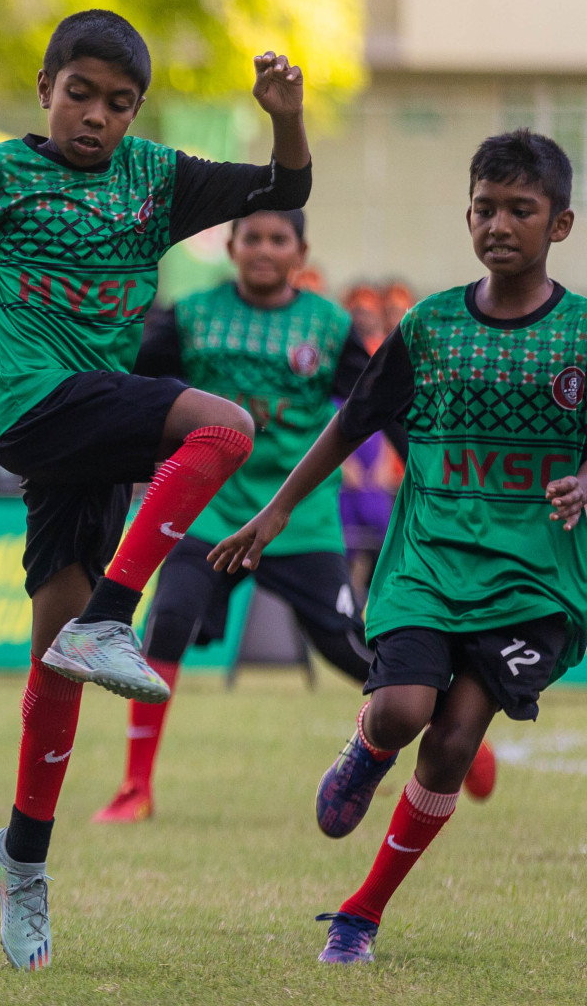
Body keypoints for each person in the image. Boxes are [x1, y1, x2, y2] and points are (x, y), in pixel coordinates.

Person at [0, 9, 311, 971]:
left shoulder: (158, 180)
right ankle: (115, 616)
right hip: (31, 408)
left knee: (55, 669)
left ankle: (21, 861)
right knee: (227, 426)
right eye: (80, 94)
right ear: (46, 87)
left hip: (95, 431)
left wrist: (285, 116)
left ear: (136, 112)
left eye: (119, 103)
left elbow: (287, 185)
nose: (96, 116)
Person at [210, 130, 586, 965]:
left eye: (521, 210)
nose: (499, 224)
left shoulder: (582, 335)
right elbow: (353, 421)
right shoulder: (431, 325)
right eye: (485, 208)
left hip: (535, 578)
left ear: (559, 224)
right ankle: (368, 744)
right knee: (404, 711)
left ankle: (361, 914)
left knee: (454, 740)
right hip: (427, 558)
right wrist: (272, 515)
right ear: (467, 214)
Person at [94, 209, 493, 824]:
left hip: (298, 519)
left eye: (278, 238)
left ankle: (453, 722)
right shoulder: (192, 316)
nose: (263, 248)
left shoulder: (329, 327)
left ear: (300, 251)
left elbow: (380, 405)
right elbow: (129, 378)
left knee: (349, 649)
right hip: (210, 513)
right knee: (166, 621)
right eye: (251, 236)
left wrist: (430, 474)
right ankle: (135, 788)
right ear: (231, 245)